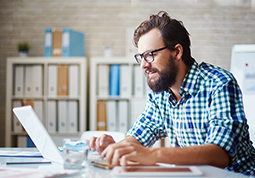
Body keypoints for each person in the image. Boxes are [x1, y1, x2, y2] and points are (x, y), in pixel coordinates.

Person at [89, 11, 255, 175]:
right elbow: (140, 134)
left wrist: (152, 155)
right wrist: (118, 148)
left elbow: (220, 155)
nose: (143, 65)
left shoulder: (220, 83)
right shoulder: (160, 92)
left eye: (150, 55)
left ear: (177, 52)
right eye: (141, 57)